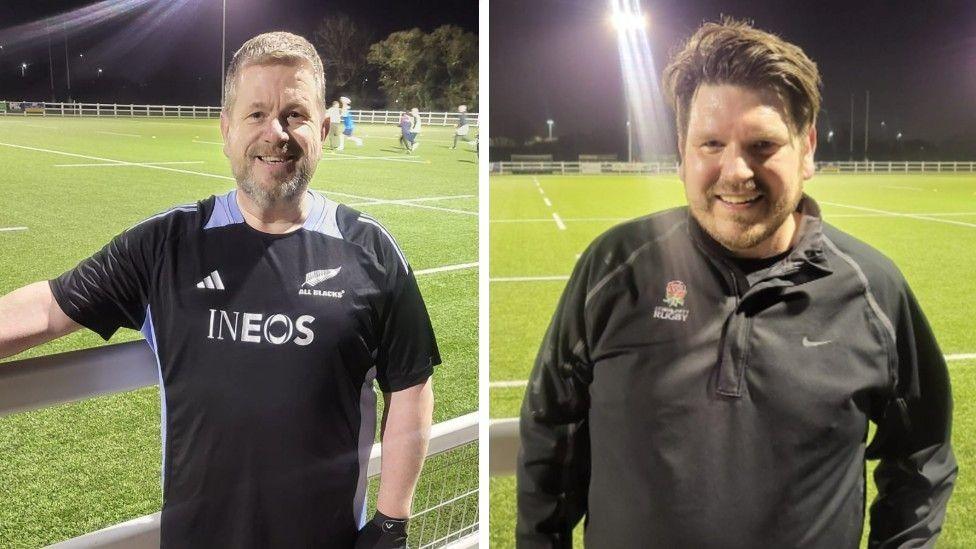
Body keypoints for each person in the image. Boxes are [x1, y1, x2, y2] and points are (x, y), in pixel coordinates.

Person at [516, 19, 955, 548]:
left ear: (808, 147)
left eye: (763, 144)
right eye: (711, 143)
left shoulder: (872, 290)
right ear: (683, 151)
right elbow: (551, 429)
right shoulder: (614, 267)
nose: (736, 171)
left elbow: (922, 452)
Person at [0, 32, 440, 549]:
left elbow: (410, 385)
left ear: (323, 129)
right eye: (256, 115)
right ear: (226, 130)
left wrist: (391, 523)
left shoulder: (373, 251)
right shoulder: (165, 244)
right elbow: (48, 309)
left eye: (294, 114)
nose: (276, 133)